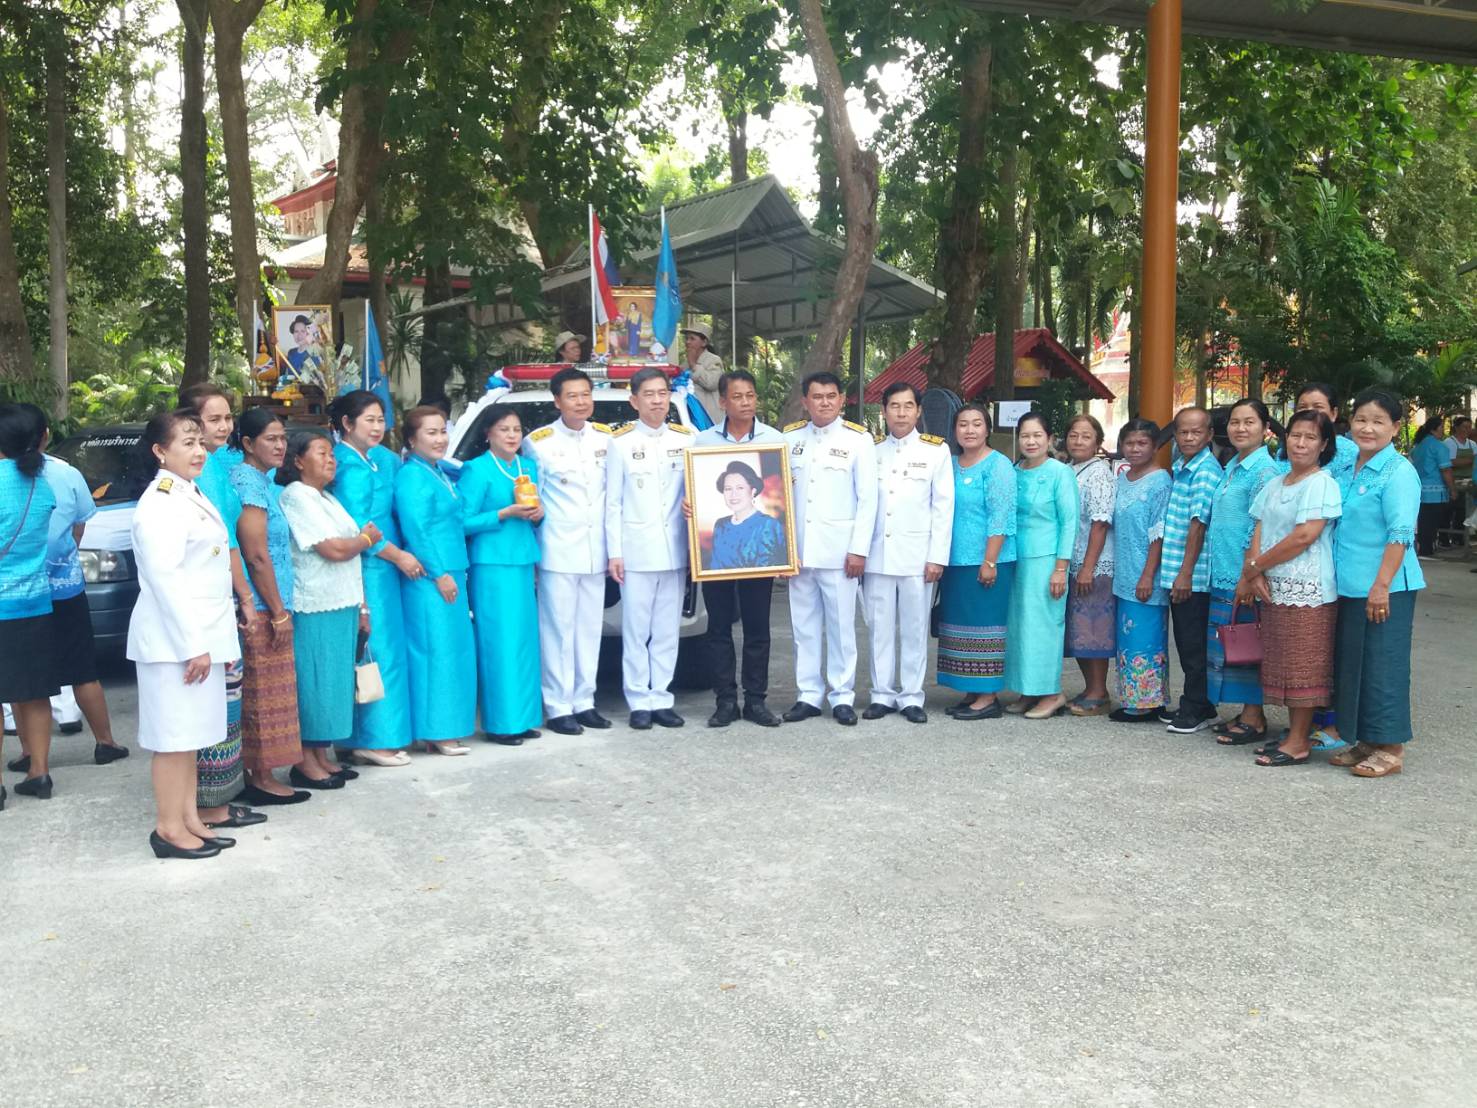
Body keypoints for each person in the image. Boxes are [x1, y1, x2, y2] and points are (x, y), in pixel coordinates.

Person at [127, 410, 241, 859]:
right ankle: (168, 829)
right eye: (187, 443)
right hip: (175, 643)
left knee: (192, 737)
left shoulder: (188, 493)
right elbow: (164, 580)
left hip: (200, 638)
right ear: (160, 451)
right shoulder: (160, 502)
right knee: (173, 740)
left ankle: (190, 818)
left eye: (199, 442)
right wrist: (194, 646)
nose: (198, 451)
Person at [2, 405, 127, 772]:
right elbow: (78, 527)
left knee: (23, 683)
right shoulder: (63, 475)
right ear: (43, 435)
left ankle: (28, 755)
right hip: (62, 587)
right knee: (82, 669)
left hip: (17, 597)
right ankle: (105, 741)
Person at [176, 384, 266, 829]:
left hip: (224, 594)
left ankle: (217, 801)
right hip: (214, 598)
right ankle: (209, 804)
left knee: (227, 703)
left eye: (227, 417)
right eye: (213, 420)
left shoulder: (219, 465)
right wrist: (246, 600)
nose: (225, 427)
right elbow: (227, 542)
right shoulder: (200, 474)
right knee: (215, 704)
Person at [1326, 389, 1425, 778]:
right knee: (1356, 665)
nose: (1367, 428)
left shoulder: (1399, 472)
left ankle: (1392, 747)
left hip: (1387, 588)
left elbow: (1400, 533)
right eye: (1361, 419)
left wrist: (1381, 585)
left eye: (1378, 421)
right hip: (1349, 584)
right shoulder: (1349, 465)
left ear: (1396, 428)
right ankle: (1366, 739)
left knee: (1385, 665)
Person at [1239, 411, 1343, 766]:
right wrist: (1253, 572)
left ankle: (1299, 741)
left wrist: (1256, 566)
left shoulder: (1322, 483)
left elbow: (1304, 536)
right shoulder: (1275, 483)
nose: (1300, 443)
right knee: (1281, 662)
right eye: (1295, 435)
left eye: (1311, 438)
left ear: (1324, 445)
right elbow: (1257, 528)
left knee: (1305, 666)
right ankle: (1290, 735)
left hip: (1308, 588)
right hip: (1272, 585)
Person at [229, 409, 316, 803]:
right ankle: (260, 778)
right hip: (263, 604)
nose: (280, 446)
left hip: (275, 599)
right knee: (263, 695)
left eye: (283, 437)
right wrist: (277, 610)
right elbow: (256, 555)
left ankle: (261, 774)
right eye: (270, 439)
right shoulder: (247, 482)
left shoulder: (262, 481)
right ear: (247, 444)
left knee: (272, 691)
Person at [781, 372, 877, 726]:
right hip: (799, 552)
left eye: (831, 396)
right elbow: (778, 497)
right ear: (805, 401)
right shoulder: (790, 439)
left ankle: (842, 696)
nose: (824, 402)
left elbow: (868, 499)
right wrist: (781, 548)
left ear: (841, 400)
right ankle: (808, 695)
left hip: (840, 553)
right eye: (817, 396)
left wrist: (859, 550)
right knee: (803, 627)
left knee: (841, 628)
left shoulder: (858, 440)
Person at [279, 431, 374, 780]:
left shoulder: (327, 498)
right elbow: (333, 550)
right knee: (315, 681)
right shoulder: (296, 496)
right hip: (315, 602)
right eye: (321, 453)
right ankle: (304, 761)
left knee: (333, 683)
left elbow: (351, 557)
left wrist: (363, 607)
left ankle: (320, 755)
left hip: (343, 601)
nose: (330, 459)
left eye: (332, 454)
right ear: (298, 461)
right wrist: (365, 539)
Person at [693, 370, 785, 728]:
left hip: (760, 565)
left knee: (758, 630)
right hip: (716, 567)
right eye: (737, 396)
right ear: (722, 402)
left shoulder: (775, 439)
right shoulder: (701, 443)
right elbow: (694, 492)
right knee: (717, 630)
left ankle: (756, 701)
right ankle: (725, 700)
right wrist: (692, 506)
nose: (745, 402)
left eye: (750, 395)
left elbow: (787, 500)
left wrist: (785, 552)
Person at [329, 391, 417, 766]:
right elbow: (358, 525)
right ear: (347, 425)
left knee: (378, 649)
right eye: (369, 420)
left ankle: (355, 737)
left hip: (384, 567)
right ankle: (376, 739)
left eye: (381, 419)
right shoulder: (348, 466)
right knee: (378, 651)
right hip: (368, 567)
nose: (378, 427)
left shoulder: (380, 459)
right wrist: (398, 555)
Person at [524, 368, 613, 735]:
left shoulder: (608, 439)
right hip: (559, 549)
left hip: (597, 551)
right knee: (558, 630)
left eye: (586, 394)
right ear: (557, 401)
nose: (581, 402)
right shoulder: (539, 442)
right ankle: (558, 705)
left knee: (589, 630)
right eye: (572, 396)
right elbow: (534, 498)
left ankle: (584, 701)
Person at [605, 368, 694, 729]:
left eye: (663, 393)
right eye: (649, 394)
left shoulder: (688, 440)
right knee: (637, 629)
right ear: (634, 400)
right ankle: (639, 700)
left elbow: (701, 491)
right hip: (637, 551)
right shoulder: (620, 442)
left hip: (675, 551)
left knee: (667, 630)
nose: (657, 400)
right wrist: (615, 552)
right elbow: (613, 502)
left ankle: (662, 698)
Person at [862, 382, 952, 724]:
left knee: (914, 629)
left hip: (918, 556)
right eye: (894, 406)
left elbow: (943, 507)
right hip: (877, 555)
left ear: (918, 411)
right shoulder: (870, 451)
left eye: (908, 406)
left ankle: (911, 696)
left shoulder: (936, 451)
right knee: (879, 628)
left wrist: (936, 557)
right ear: (883, 411)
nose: (901, 413)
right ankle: (882, 694)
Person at [458, 404, 544, 745]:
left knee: (524, 642)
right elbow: (462, 520)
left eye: (517, 430)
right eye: (504, 429)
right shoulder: (476, 470)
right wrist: (504, 513)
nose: (512, 436)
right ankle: (500, 723)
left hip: (522, 560)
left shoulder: (528, 467)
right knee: (499, 643)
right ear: (488, 434)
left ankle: (523, 718)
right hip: (491, 565)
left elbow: (538, 515)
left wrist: (538, 515)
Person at [395, 406, 477, 754]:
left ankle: (444, 727)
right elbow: (417, 529)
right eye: (430, 433)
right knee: (434, 650)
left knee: (452, 649)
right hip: (432, 576)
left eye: (443, 431)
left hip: (452, 569)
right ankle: (436, 730)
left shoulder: (436, 472)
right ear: (412, 439)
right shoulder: (412, 476)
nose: (440, 439)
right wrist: (439, 573)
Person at [1285, 382, 1358, 749]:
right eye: (1301, 406)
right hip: (1300, 560)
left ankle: (1334, 722)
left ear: (1334, 413)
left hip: (1336, 556)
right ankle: (1307, 721)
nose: (1308, 411)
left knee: (1332, 646)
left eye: (1317, 406)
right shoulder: (1293, 454)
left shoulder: (1347, 454)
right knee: (1310, 647)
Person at [1205, 399, 1279, 745]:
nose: (1240, 428)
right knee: (1233, 642)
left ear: (1266, 429)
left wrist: (1249, 575)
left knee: (1248, 643)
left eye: (1249, 422)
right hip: (1223, 568)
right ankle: (1247, 711)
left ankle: (1255, 716)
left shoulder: (1265, 471)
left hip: (1245, 572)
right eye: (1235, 422)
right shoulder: (1233, 464)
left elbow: (1259, 527)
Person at [939, 404, 1016, 720]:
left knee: (986, 627)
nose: (969, 430)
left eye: (976, 424)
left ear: (987, 429)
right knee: (961, 627)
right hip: (955, 560)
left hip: (988, 560)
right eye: (962, 424)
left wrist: (990, 561)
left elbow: (1000, 516)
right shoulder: (950, 464)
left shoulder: (998, 466)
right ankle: (972, 690)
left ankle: (988, 696)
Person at [0, 403, 60, 808]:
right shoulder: (44, 486)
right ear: (41, 438)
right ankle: (39, 772)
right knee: (35, 693)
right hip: (35, 602)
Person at [1003, 411, 1078, 718]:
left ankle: (1052, 692)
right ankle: (1027, 689)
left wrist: (1061, 568)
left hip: (1046, 560)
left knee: (1044, 627)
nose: (1031, 441)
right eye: (1025, 436)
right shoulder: (1014, 470)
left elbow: (1069, 522)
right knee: (1019, 627)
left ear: (1049, 439)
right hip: (1015, 559)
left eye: (1037, 435)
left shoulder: (1060, 472)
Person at [1159, 406, 1224, 733]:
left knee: (1193, 645)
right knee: (1187, 643)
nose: (1188, 437)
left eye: (1196, 432)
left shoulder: (1205, 471)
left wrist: (1185, 574)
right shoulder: (1183, 465)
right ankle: (1200, 703)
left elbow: (1198, 525)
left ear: (1209, 435)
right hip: (1178, 572)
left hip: (1193, 577)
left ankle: (1196, 707)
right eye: (1182, 431)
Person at [1108, 420, 1173, 723]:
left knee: (1145, 638)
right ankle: (1133, 699)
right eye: (1129, 443)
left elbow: (1159, 533)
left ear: (1155, 445)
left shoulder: (1160, 482)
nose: (1134, 449)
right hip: (1124, 572)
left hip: (1146, 574)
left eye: (1141, 443)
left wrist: (1148, 574)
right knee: (1128, 637)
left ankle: (1149, 703)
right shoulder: (1122, 479)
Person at [1063, 414, 1115, 716]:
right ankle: (1089, 687)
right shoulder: (1070, 470)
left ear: (1097, 442)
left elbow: (1100, 523)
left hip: (1094, 564)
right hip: (1073, 561)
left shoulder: (1099, 473)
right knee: (1079, 630)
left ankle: (1099, 691)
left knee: (1095, 629)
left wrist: (1088, 568)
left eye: (1085, 436)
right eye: (1073, 434)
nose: (1078, 441)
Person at [708, 462, 786, 570]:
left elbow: (768, 569)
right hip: (719, 586)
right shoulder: (720, 525)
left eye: (740, 488)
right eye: (728, 489)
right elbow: (714, 567)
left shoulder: (768, 525)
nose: (733, 494)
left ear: (753, 491)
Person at [1411, 415, 1453, 557]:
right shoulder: (1439, 447)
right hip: (1435, 491)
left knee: (1423, 521)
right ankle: (1428, 549)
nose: (1443, 430)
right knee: (1433, 521)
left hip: (1419, 490)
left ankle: (1424, 548)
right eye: (1441, 427)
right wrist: (1452, 489)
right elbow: (1445, 470)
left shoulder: (1419, 446)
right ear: (1433, 429)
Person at [680, 324, 725, 423]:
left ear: (704, 342)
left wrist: (693, 365)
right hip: (691, 418)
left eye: (692, 339)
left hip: (710, 419)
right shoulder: (684, 364)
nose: (688, 342)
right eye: (686, 338)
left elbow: (711, 383)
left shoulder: (714, 360)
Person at [1445, 415, 1474, 542]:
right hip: (1452, 481)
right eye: (1464, 427)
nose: (1467, 430)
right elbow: (1450, 462)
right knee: (1449, 511)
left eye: (1469, 427)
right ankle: (1445, 538)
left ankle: (1460, 538)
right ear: (1456, 428)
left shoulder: (1472, 444)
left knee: (1464, 511)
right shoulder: (1449, 443)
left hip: (1468, 482)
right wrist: (1468, 461)